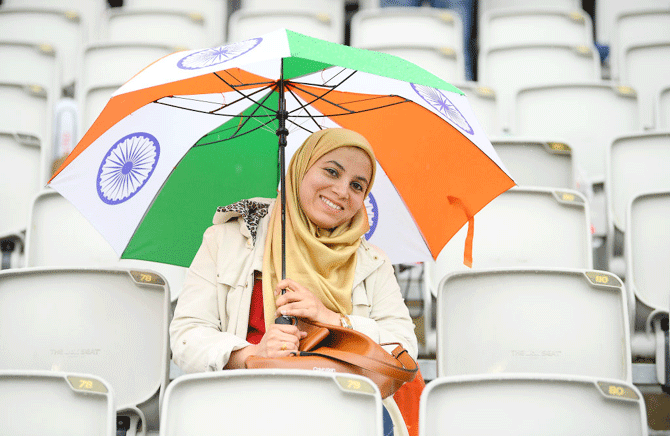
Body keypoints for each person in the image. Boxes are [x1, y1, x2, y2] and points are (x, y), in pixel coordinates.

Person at [170, 128, 418, 436]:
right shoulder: (229, 238)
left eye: (357, 185)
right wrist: (251, 354)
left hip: (342, 414)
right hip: (242, 409)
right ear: (300, 168)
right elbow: (187, 335)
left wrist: (332, 319)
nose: (342, 191)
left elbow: (404, 346)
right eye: (331, 171)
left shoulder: (372, 261)